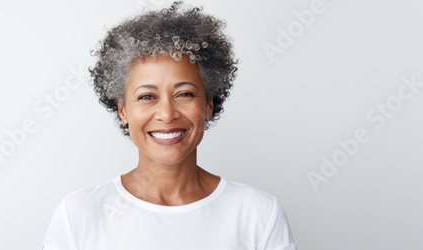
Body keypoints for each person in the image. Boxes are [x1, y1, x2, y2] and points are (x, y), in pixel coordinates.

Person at [42, 2, 296, 249]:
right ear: (123, 110)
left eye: (184, 94)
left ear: (208, 105)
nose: (166, 113)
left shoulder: (259, 215)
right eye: (147, 97)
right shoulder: (78, 215)